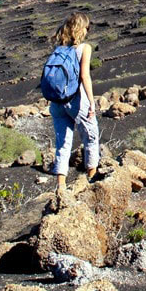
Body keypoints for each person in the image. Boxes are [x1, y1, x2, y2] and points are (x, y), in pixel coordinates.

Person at [47, 12, 98, 189]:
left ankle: (61, 186)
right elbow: (85, 76)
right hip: (76, 100)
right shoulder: (84, 48)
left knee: (62, 142)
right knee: (90, 137)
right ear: (82, 28)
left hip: (57, 101)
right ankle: (92, 180)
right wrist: (92, 101)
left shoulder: (58, 48)